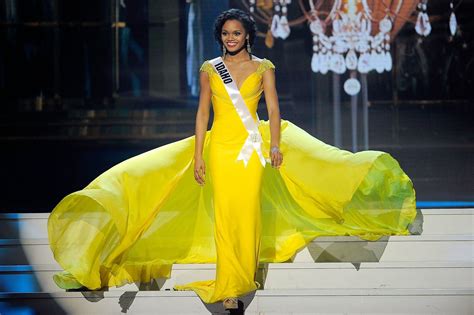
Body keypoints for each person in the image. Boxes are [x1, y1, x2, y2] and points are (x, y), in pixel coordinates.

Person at [48, 8, 417, 311]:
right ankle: (230, 286)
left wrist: (274, 145)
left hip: (251, 150)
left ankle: (241, 277)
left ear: (248, 36)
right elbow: (201, 115)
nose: (230, 38)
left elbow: (273, 110)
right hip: (220, 150)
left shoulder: (264, 68)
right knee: (225, 215)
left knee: (247, 213)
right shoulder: (210, 69)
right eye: (225, 33)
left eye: (236, 33)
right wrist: (197, 156)